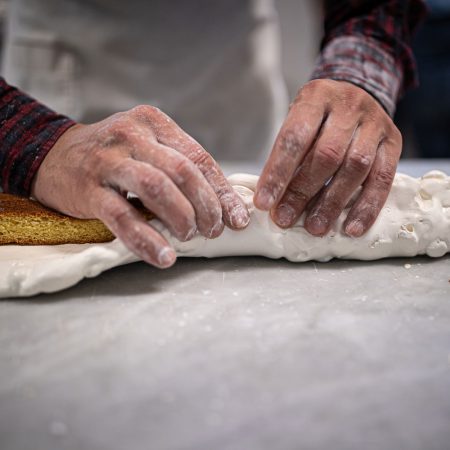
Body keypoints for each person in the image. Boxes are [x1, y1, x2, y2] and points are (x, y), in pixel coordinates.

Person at [0, 0, 426, 268]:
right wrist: (39, 144)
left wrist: (361, 69)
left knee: (255, 212)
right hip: (69, 84)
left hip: (231, 80)